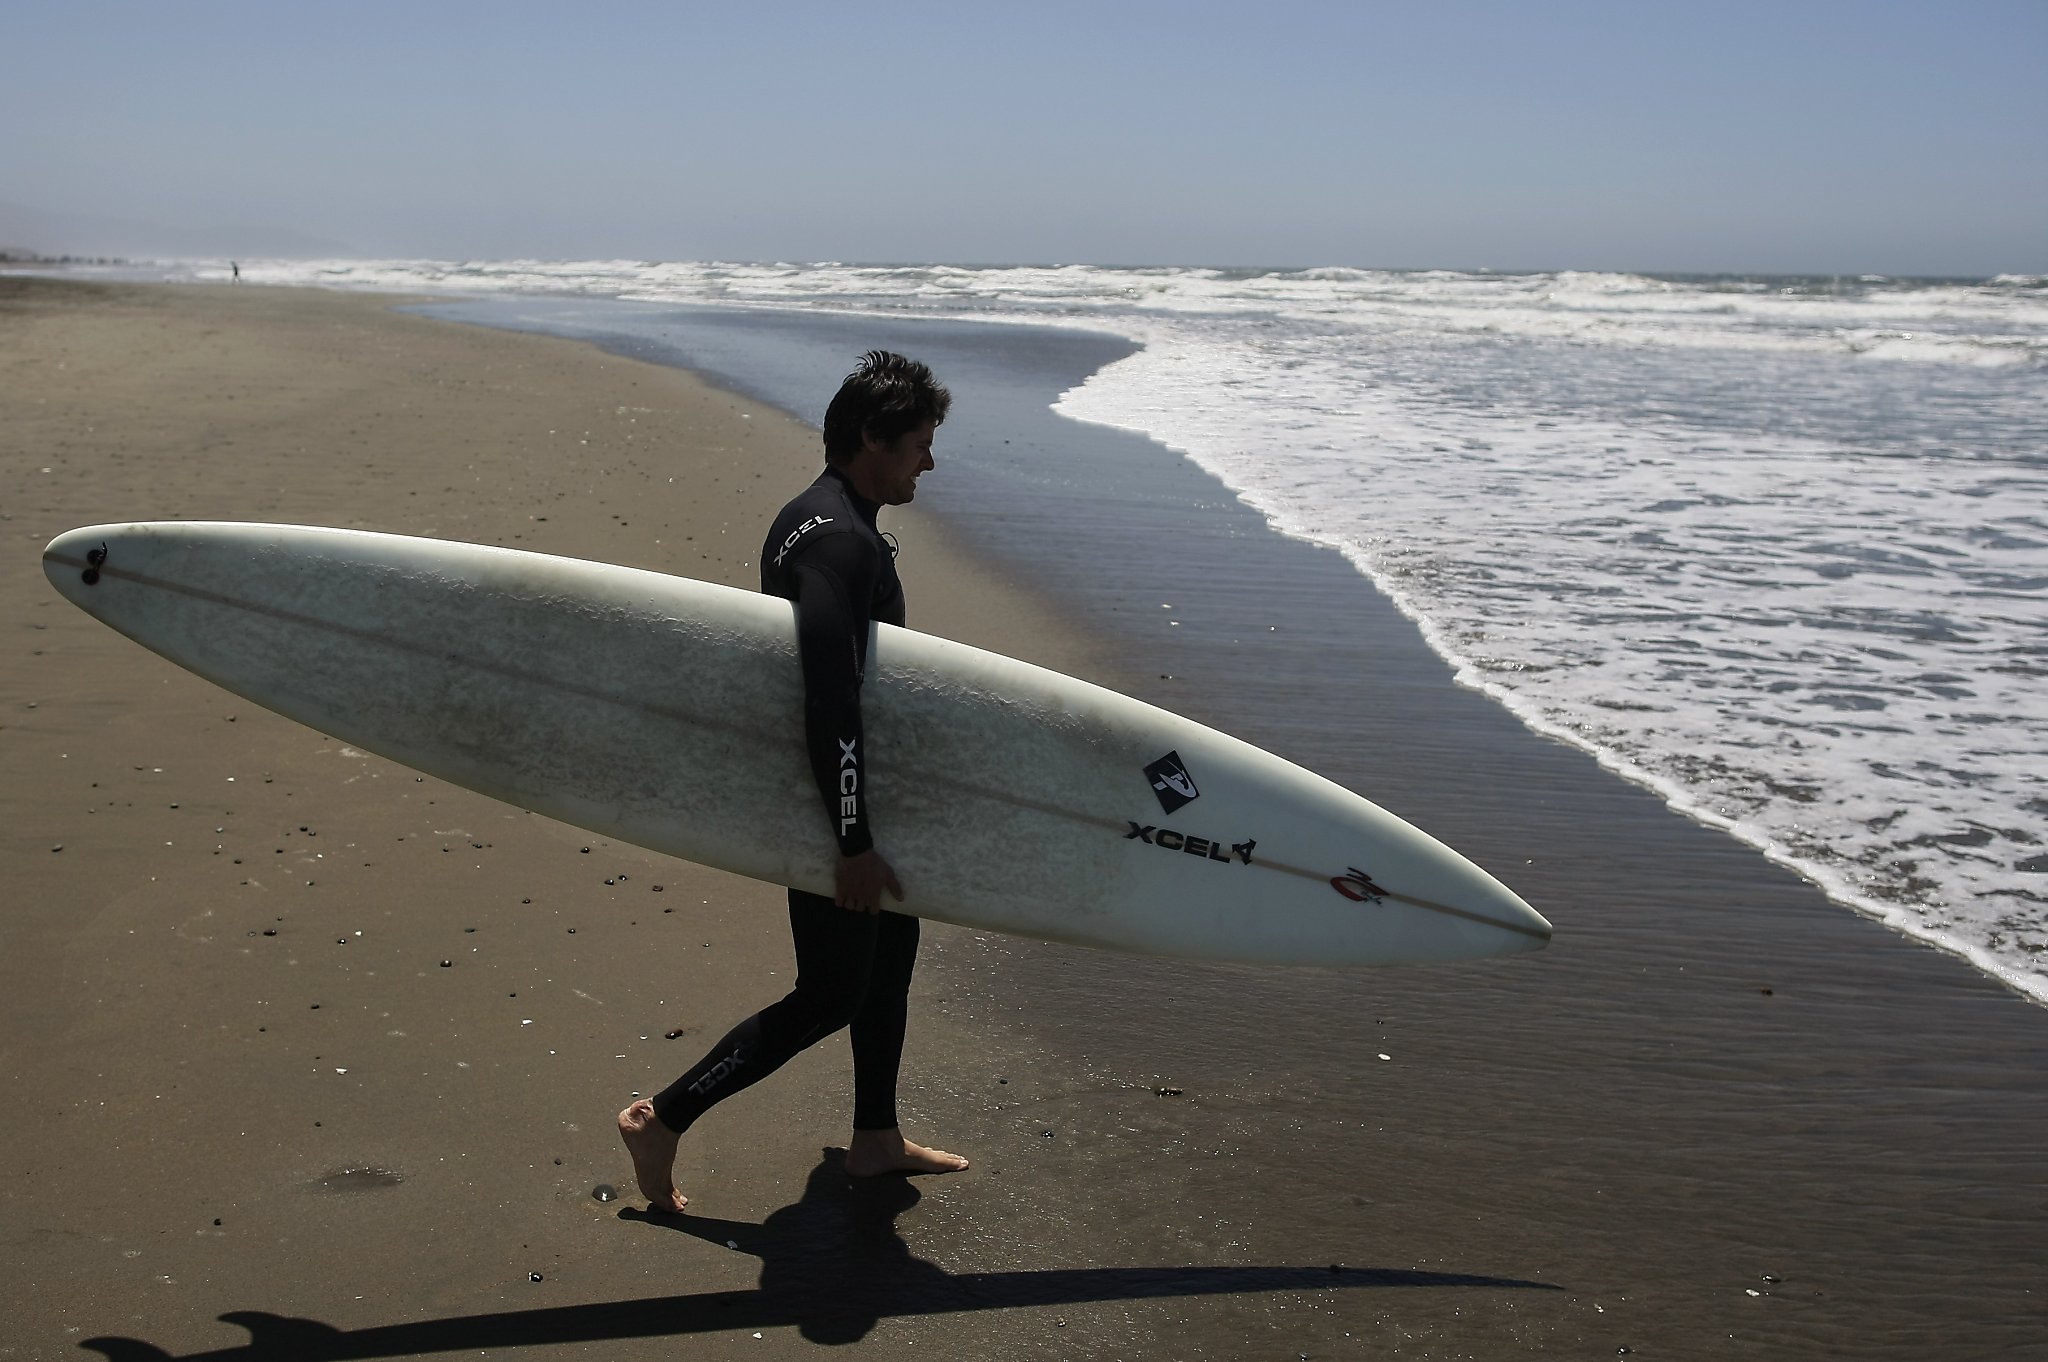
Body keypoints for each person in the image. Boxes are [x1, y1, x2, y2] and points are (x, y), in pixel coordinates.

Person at [618, 351, 969, 1211]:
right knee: (830, 993)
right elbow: (829, 696)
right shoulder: (840, 543)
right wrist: (850, 840)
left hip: (854, 795)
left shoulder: (816, 517)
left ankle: (876, 1140)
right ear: (872, 438)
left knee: (889, 964)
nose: (930, 460)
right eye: (920, 443)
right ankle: (663, 1117)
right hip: (830, 802)